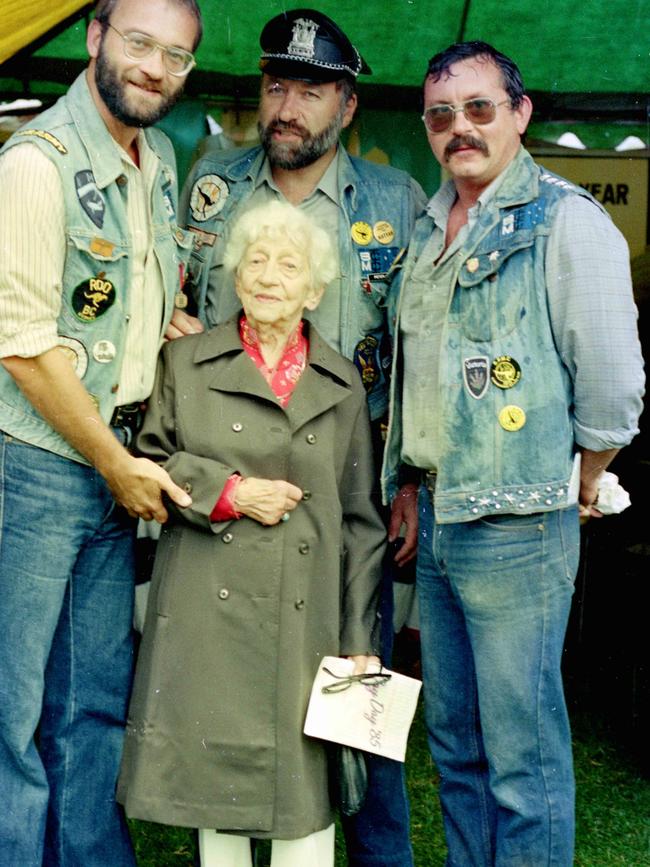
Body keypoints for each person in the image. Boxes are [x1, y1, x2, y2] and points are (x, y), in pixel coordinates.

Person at [382, 41, 645, 867]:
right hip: (441, 518)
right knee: (457, 749)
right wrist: (411, 487)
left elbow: (613, 383)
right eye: (441, 115)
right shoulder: (429, 226)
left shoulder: (568, 221)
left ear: (520, 114)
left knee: (522, 763)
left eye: (479, 108)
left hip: (522, 523)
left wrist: (586, 477)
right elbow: (417, 380)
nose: (459, 128)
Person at [176, 12, 426, 864]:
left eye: (310, 90)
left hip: (341, 501)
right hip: (225, 499)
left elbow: (418, 352)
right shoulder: (212, 183)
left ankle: (372, 851)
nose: (288, 106)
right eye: (277, 85)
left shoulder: (395, 203)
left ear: (348, 106)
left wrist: (409, 483)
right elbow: (169, 305)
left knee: (353, 693)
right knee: (232, 701)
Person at [116, 200, 385, 867]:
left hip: (307, 621)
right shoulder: (186, 362)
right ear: (236, 279)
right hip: (209, 613)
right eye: (255, 261)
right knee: (218, 808)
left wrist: (358, 640)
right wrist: (231, 492)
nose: (268, 275)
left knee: (303, 808)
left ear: (314, 290)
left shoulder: (342, 381)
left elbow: (361, 523)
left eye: (288, 264)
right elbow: (147, 462)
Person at [0, 0, 202, 863]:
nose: (157, 68)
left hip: (117, 462)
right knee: (11, 712)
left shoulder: (156, 159)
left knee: (89, 702)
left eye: (178, 57)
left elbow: (125, 299)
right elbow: (24, 347)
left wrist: (168, 325)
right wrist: (118, 463)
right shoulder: (34, 165)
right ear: (95, 38)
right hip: (39, 468)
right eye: (140, 43)